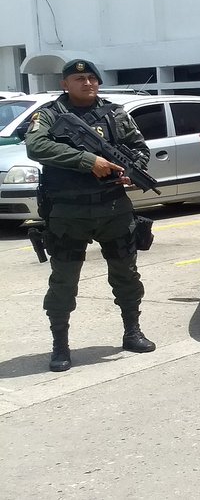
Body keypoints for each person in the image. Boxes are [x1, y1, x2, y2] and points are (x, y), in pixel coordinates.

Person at [25, 59, 156, 372]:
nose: (87, 83)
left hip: (113, 208)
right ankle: (60, 345)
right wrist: (87, 160)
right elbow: (36, 146)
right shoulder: (50, 114)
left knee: (126, 273)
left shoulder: (115, 113)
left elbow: (139, 148)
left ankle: (132, 331)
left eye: (92, 78)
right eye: (79, 78)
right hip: (68, 212)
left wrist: (131, 171)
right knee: (63, 281)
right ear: (65, 84)